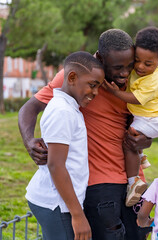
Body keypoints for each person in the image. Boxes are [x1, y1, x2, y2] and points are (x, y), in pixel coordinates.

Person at [18, 29, 153, 240]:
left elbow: (150, 119)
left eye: (129, 65)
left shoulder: (139, 82)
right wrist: (29, 142)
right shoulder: (77, 77)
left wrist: (148, 137)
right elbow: (29, 109)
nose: (125, 73)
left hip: (133, 179)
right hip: (99, 184)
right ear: (99, 58)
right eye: (117, 67)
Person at [26, 51, 105, 240]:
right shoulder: (62, 111)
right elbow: (56, 165)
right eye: (92, 85)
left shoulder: (69, 107)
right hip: (57, 204)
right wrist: (78, 215)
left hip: (61, 202)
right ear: (71, 77)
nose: (95, 92)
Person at [103, 27, 158, 207]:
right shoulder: (139, 70)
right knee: (133, 132)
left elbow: (136, 99)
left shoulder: (153, 80)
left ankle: (134, 182)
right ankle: (141, 156)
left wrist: (115, 92)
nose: (140, 66)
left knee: (129, 140)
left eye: (148, 64)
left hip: (154, 119)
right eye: (137, 60)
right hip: (147, 116)